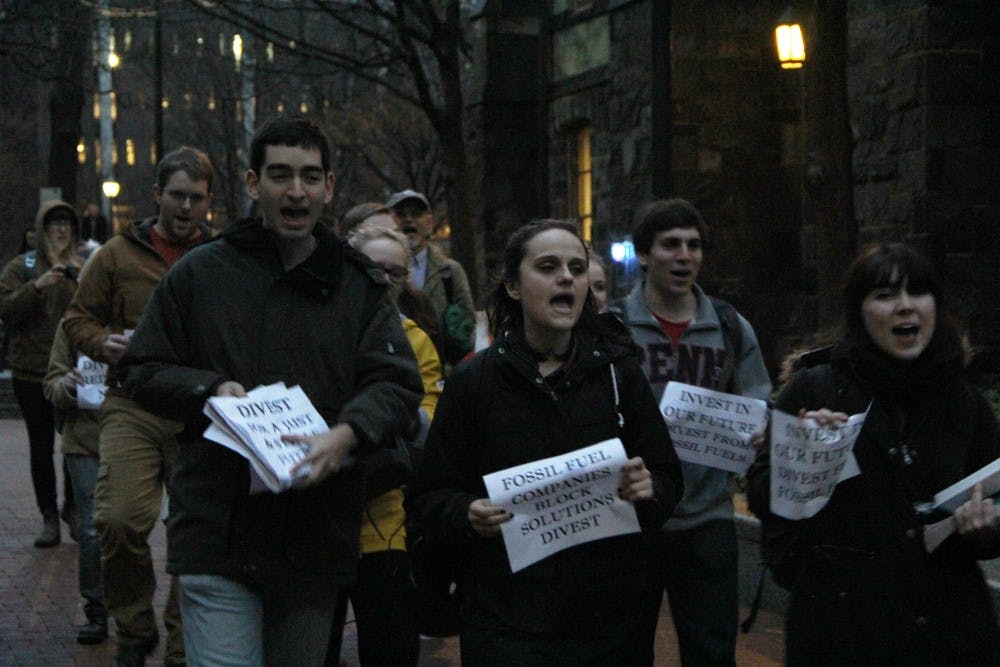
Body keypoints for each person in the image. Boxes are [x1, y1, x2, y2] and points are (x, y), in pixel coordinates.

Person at [117, 116, 423, 666]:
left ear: (329, 186)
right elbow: (140, 368)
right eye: (280, 175)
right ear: (254, 184)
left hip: (315, 534)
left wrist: (347, 434)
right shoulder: (200, 274)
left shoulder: (359, 286)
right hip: (217, 526)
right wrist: (207, 389)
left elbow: (397, 382)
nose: (296, 191)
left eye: (310, 177)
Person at [406, 219, 684, 666]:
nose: (566, 278)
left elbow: (668, 478)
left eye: (576, 268)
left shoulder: (618, 373)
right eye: (549, 267)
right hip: (507, 621)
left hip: (610, 623)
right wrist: (466, 513)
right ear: (514, 286)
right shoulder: (474, 382)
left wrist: (647, 489)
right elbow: (428, 496)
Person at [747, 243, 1000, 665]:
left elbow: (992, 497)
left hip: (949, 632)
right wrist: (804, 459)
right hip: (844, 631)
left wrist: (987, 528)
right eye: (884, 296)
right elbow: (763, 497)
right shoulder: (814, 389)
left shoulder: (964, 401)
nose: (905, 307)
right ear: (859, 313)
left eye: (918, 292)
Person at [64, 146, 214, 666]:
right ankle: (132, 625)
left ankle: (180, 644)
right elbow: (77, 319)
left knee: (194, 536)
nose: (186, 206)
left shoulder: (220, 260)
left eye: (196, 197)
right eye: (177, 194)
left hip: (198, 410)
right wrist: (102, 342)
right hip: (132, 403)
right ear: (157, 195)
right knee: (118, 520)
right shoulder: (116, 255)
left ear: (209, 201)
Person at [610, 198, 772, 666]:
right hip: (631, 517)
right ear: (643, 255)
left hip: (707, 518)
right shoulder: (613, 327)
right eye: (670, 245)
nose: (684, 255)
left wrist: (759, 426)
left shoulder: (728, 325)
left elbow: (758, 399)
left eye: (694, 245)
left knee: (712, 651)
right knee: (622, 648)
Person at [324, 225, 443, 666]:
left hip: (385, 525)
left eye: (397, 272)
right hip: (318, 523)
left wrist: (384, 408)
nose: (386, 280)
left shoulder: (416, 340)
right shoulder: (318, 327)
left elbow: (429, 426)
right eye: (375, 270)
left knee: (391, 651)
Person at [1, 200, 83, 547]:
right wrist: (38, 286)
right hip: (31, 371)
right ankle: (49, 515)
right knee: (40, 446)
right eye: (54, 224)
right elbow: (6, 310)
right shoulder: (23, 266)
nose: (61, 230)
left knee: (75, 445)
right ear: (41, 230)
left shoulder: (84, 266)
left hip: (73, 373)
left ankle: (73, 509)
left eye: (67, 223)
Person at [43, 320, 107, 645]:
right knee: (92, 529)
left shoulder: (143, 313)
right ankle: (97, 610)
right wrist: (67, 385)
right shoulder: (71, 326)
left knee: (126, 529)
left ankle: (131, 609)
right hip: (83, 441)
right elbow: (51, 384)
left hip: (134, 439)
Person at [386, 189, 475, 366]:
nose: (409, 220)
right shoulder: (374, 267)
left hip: (440, 372)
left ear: (429, 222)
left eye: (416, 214)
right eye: (401, 214)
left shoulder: (450, 272)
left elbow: (467, 325)